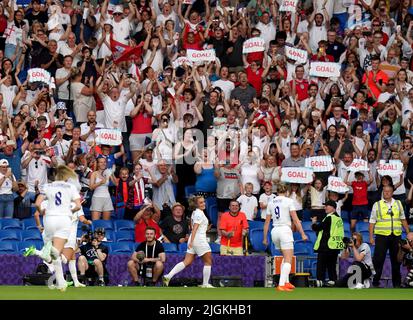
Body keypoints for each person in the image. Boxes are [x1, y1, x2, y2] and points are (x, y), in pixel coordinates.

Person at [33, 165, 82, 291]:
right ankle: (38, 252)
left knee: (55, 254)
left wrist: (42, 210)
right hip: (63, 219)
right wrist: (70, 211)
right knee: (57, 253)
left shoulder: (47, 186)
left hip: (49, 219)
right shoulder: (71, 187)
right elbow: (77, 206)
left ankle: (61, 283)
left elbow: (37, 204)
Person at [263, 183, 308, 291]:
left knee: (284, 257)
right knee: (288, 259)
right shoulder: (289, 201)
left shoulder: (271, 202)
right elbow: (296, 220)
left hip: (274, 231)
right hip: (285, 230)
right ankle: (281, 284)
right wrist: (302, 233)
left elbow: (266, 222)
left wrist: (265, 238)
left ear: (276, 191)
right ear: (287, 191)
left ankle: (287, 282)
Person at [163, 196, 214, 288]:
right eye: (201, 203)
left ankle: (168, 276)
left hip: (194, 239)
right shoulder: (199, 213)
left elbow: (193, 226)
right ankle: (205, 284)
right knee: (208, 261)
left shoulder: (195, 212)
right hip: (199, 240)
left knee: (187, 261)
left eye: (204, 202)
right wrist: (192, 241)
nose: (204, 204)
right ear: (196, 204)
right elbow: (194, 228)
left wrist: (192, 240)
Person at [369, 185, 410, 288]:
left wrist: (408, 233)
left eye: (388, 191)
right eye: (385, 191)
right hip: (381, 236)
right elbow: (372, 222)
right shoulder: (377, 205)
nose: (386, 193)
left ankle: (396, 284)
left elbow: (403, 219)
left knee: (396, 261)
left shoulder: (398, 203)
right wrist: (370, 237)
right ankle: (375, 283)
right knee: (378, 260)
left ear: (392, 192)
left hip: (396, 236)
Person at [312, 200, 344, 287]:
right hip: (335, 246)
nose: (325, 207)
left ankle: (320, 281)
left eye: (327, 206)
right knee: (331, 266)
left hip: (326, 245)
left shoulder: (329, 218)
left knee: (321, 265)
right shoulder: (339, 218)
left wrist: (314, 222)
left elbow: (318, 228)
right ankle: (333, 281)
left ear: (333, 208)